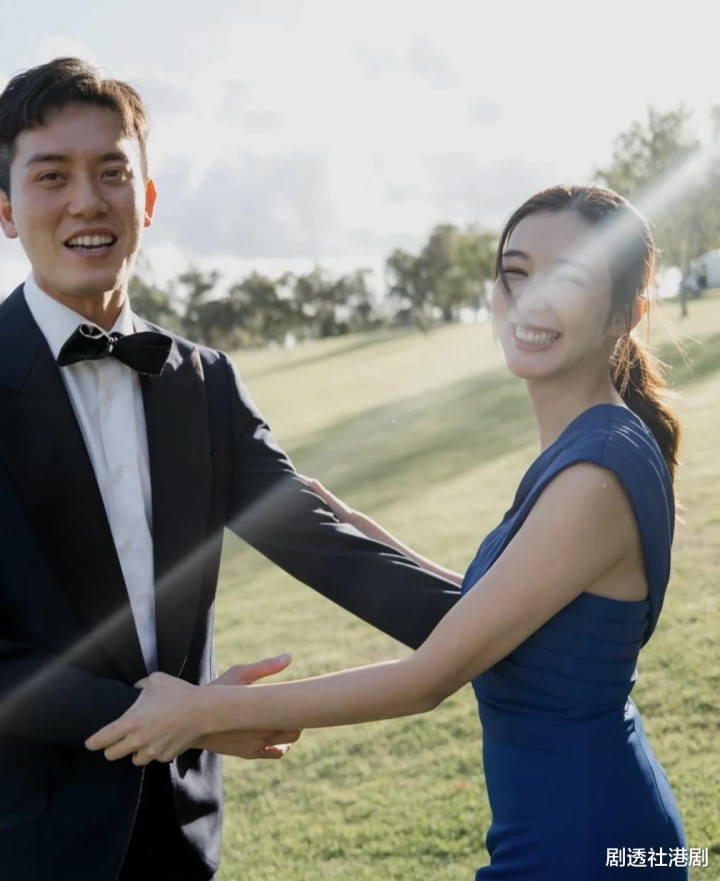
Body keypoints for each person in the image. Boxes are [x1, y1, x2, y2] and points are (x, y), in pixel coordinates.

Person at [89, 184, 689, 880]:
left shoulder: (596, 473)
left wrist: (203, 709)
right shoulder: (600, 444)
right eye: (515, 272)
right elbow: (517, 616)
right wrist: (364, 530)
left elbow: (425, 680)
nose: (531, 299)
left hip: (588, 846)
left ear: (627, 312)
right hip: (589, 823)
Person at [0, 57, 462, 881]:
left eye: (112, 172)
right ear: (5, 208)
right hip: (25, 837)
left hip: (181, 835)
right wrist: (195, 717)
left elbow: (317, 538)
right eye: (51, 175)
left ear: (146, 199)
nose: (86, 200)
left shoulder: (205, 382)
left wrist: (508, 622)